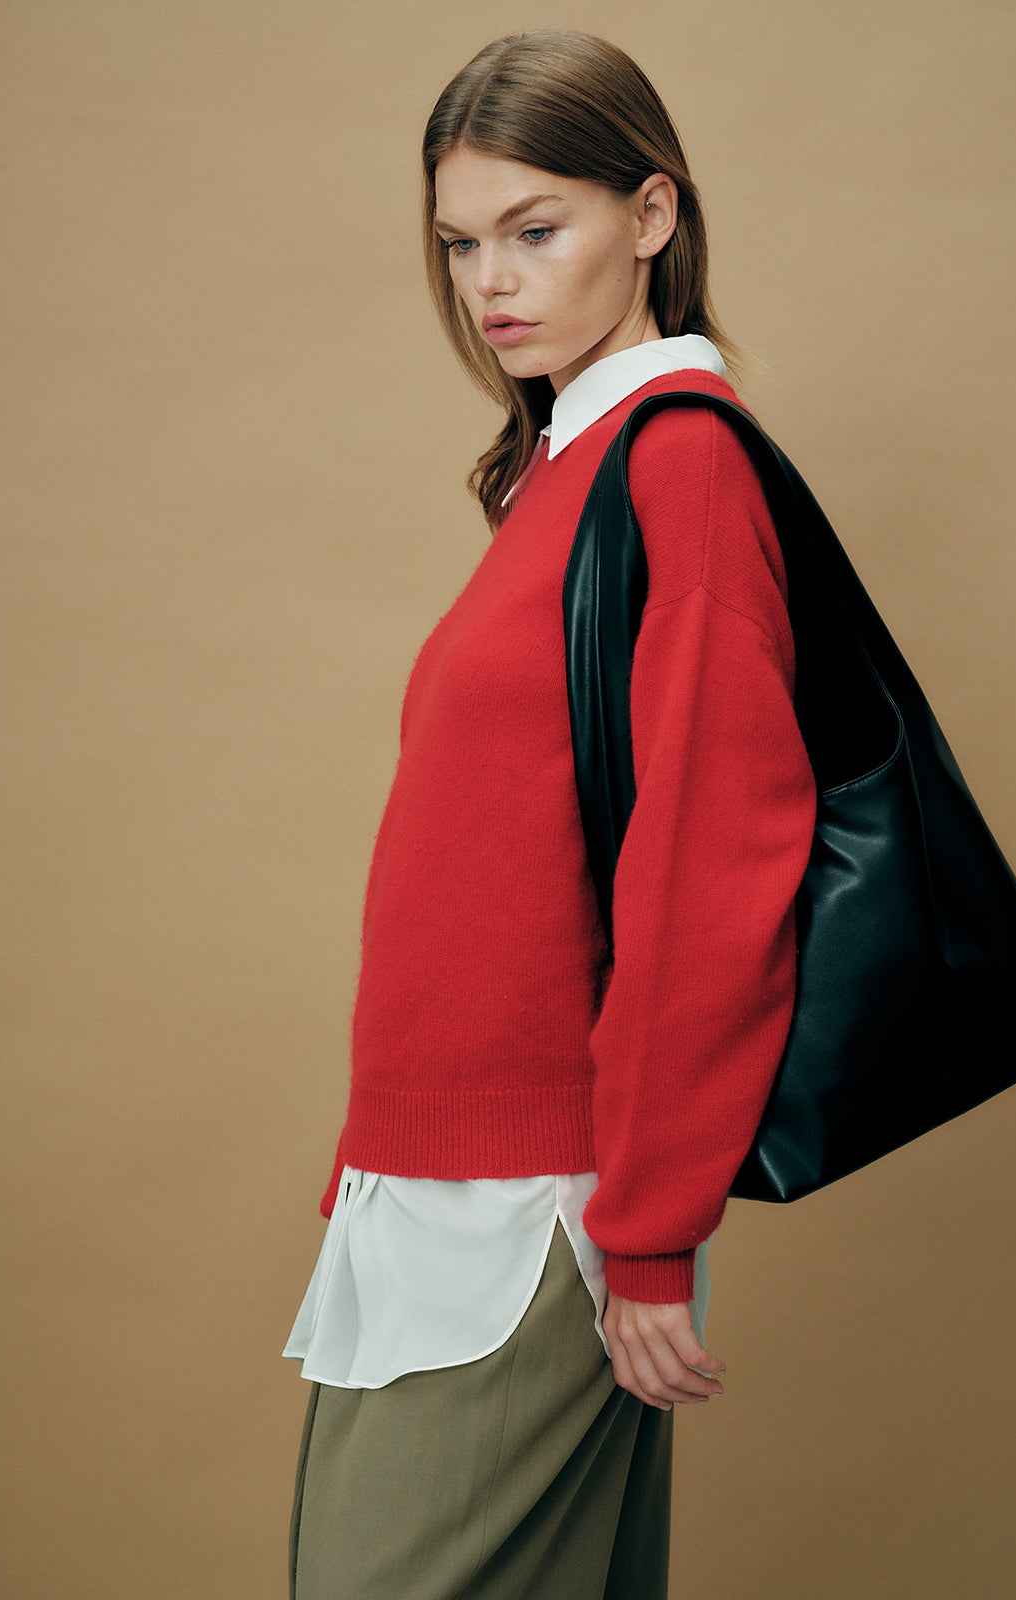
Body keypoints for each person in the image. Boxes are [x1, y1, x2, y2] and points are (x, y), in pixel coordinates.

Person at [285, 29, 816, 1600]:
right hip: (444, 1186)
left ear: (650, 215)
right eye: (460, 243)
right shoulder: (563, 470)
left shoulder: (678, 463)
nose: (490, 283)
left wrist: (647, 1232)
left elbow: (712, 870)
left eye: (534, 229)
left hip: (533, 1207)